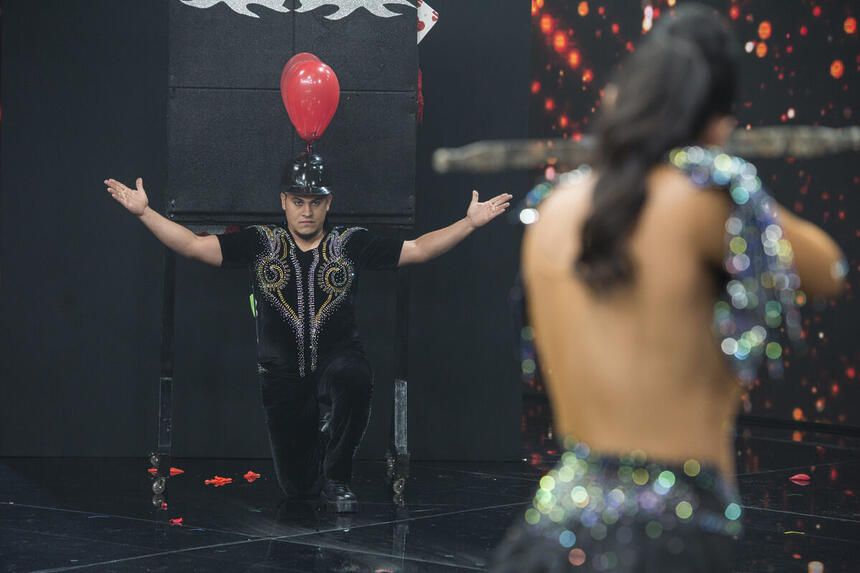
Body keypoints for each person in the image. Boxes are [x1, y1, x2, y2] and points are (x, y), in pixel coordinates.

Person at [491, 5, 845, 572]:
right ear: (718, 117)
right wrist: (726, 174)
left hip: (551, 530)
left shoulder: (552, 208)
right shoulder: (713, 198)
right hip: (673, 541)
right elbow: (830, 270)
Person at [105, 151, 512, 512]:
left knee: (354, 378)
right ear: (283, 201)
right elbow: (193, 246)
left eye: (315, 202)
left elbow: (419, 249)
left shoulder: (350, 243)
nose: (306, 211)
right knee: (299, 489)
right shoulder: (260, 242)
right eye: (298, 201)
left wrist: (469, 224)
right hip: (281, 377)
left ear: (328, 203)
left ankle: (338, 476)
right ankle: (320, 443)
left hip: (339, 360)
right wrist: (145, 213)